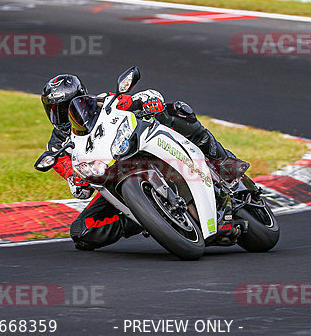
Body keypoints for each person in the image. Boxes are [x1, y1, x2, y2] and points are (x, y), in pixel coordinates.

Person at [34, 73, 249, 251]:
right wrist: (76, 179)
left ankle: (223, 160)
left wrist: (144, 101)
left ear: (81, 97)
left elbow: (132, 100)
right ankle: (146, 216)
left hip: (134, 150)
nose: (60, 115)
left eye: (64, 107)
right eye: (54, 110)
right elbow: (70, 176)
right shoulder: (56, 146)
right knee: (82, 232)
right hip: (112, 181)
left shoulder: (102, 102)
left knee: (176, 110)